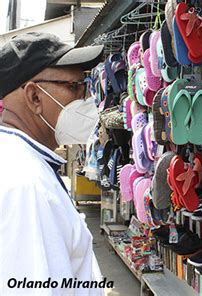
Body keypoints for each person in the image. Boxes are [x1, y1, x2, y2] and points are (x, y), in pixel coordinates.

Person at [0, 32, 105, 295]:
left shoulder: (22, 163)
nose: (86, 99)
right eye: (75, 87)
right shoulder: (26, 185)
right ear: (34, 97)